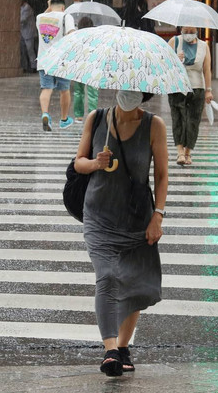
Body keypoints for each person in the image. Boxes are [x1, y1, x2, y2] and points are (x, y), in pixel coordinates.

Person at [74, 90, 168, 377]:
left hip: (137, 218)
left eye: (134, 90)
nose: (128, 94)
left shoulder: (155, 126)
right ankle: (110, 350)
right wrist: (95, 163)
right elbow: (78, 161)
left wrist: (157, 216)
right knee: (108, 275)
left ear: (143, 94)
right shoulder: (97, 118)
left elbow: (163, 175)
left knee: (134, 280)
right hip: (99, 215)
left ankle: (124, 347)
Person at [167, 27, 213, 165]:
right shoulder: (173, 42)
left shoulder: (204, 46)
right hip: (177, 87)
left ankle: (188, 153)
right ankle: (180, 152)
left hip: (197, 87)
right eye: (185, 31)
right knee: (178, 118)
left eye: (191, 31)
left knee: (193, 120)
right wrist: (175, 59)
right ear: (181, 30)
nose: (188, 34)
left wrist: (208, 90)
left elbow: (207, 69)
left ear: (196, 31)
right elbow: (164, 63)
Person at [36, 0, 76, 131]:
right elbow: (72, 34)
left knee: (46, 88)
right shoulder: (66, 17)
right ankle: (64, 119)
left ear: (50, 6)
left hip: (44, 61)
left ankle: (45, 114)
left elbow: (48, 15)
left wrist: (49, 6)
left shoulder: (40, 17)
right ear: (63, 7)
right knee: (64, 90)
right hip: (61, 60)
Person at [73, 17, 99, 123]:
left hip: (79, 65)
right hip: (93, 66)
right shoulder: (96, 37)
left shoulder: (76, 37)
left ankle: (78, 115)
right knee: (93, 92)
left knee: (78, 91)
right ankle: (92, 114)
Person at [20, 0, 37, 73]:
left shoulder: (27, 8)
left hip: (29, 33)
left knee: (30, 50)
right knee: (23, 50)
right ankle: (25, 66)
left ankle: (34, 66)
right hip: (22, 32)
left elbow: (22, 19)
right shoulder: (21, 8)